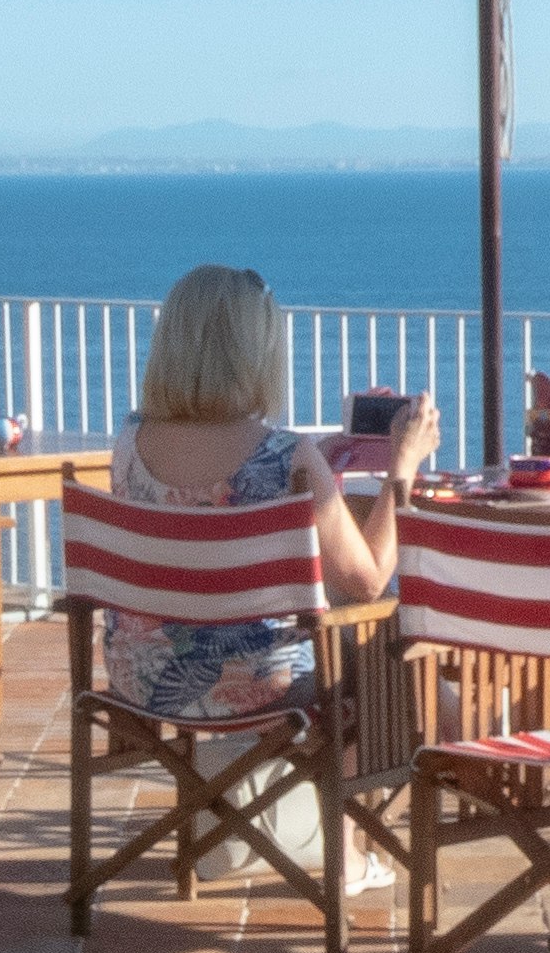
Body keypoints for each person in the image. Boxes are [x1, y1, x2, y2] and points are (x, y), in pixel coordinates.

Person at [98, 263, 431, 727]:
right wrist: (404, 465)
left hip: (142, 677)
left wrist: (315, 463)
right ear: (254, 352)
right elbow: (369, 581)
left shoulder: (130, 442)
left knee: (395, 667)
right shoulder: (286, 455)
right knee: (396, 650)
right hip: (258, 686)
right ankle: (393, 778)